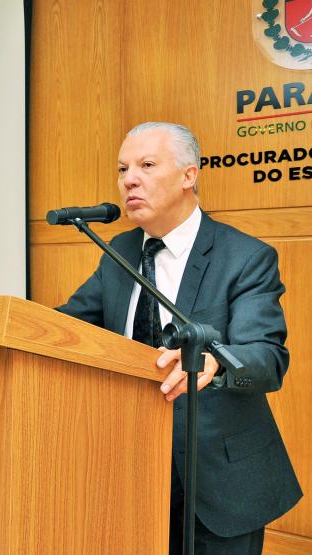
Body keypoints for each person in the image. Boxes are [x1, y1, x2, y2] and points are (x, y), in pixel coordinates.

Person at [56, 122, 301, 554]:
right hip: (131, 471)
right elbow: (64, 328)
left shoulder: (245, 257)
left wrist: (217, 362)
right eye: (123, 168)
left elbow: (266, 357)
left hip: (220, 480)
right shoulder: (120, 253)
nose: (129, 178)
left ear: (189, 175)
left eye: (147, 165)